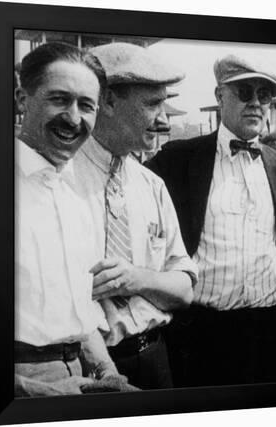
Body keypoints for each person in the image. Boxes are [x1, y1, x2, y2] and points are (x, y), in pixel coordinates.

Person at [147, 54, 276, 387]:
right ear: (219, 97)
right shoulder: (180, 158)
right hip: (203, 336)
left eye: (265, 95)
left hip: (273, 332)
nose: (256, 103)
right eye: (245, 92)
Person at [73, 42, 198, 390]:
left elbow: (185, 288)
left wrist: (137, 279)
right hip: (89, 370)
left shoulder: (151, 185)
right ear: (108, 101)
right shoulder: (61, 179)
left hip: (156, 359)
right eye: (152, 104)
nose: (163, 118)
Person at [14, 42, 135, 396]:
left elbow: (78, 313)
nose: (73, 117)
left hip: (81, 374)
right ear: (23, 100)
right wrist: (27, 388)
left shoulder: (78, 194)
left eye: (86, 105)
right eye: (58, 99)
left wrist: (109, 374)